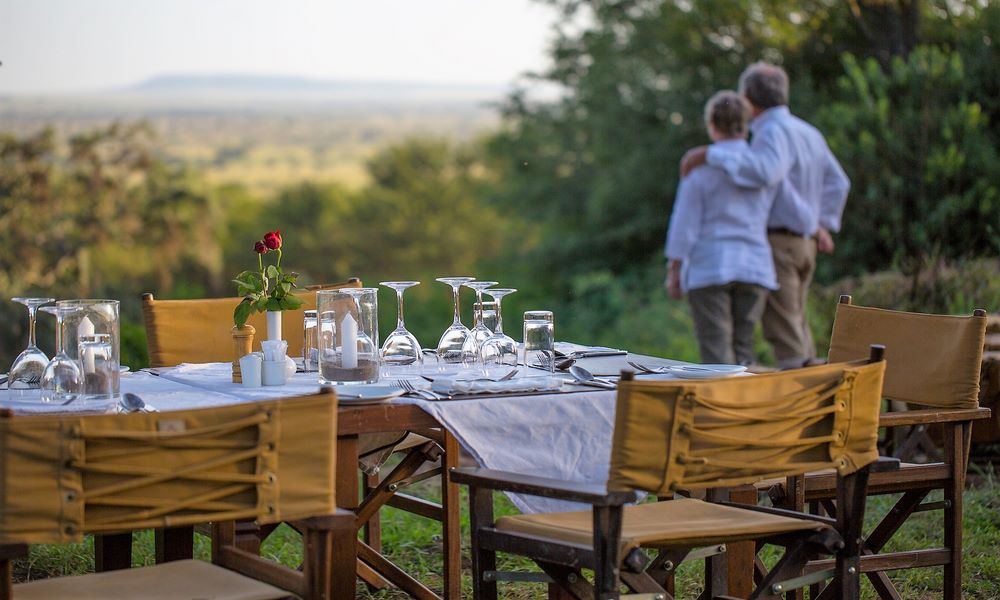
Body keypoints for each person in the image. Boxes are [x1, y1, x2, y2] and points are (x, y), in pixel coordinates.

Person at [680, 62, 850, 369]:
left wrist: (709, 154)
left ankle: (805, 409)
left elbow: (765, 173)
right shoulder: (808, 131)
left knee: (786, 336)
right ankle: (817, 399)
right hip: (805, 242)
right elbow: (839, 182)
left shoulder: (770, 132)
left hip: (778, 243)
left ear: (747, 98)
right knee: (797, 325)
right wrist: (821, 224)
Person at [665, 90, 777, 366]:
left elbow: (685, 223)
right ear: (746, 125)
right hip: (754, 265)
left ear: (711, 125)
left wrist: (675, 268)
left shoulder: (698, 170)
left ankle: (721, 408)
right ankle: (748, 407)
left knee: (716, 351)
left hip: (710, 265)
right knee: (744, 350)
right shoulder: (762, 166)